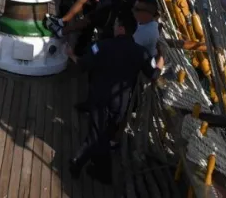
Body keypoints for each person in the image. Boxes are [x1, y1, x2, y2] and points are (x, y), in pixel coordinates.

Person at [68, 12, 159, 184]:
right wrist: (161, 59)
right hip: (120, 103)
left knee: (97, 134)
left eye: (116, 24)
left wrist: (71, 54)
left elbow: (83, 64)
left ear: (122, 29)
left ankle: (77, 162)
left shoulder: (100, 46)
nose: (114, 27)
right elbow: (153, 73)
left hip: (99, 98)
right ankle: (103, 173)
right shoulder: (141, 53)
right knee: (106, 134)